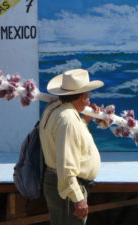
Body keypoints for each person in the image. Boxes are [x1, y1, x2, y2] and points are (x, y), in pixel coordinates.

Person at [39, 68, 105, 225]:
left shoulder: (55, 108)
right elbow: (66, 165)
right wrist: (78, 198)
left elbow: (66, 140)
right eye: (88, 96)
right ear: (83, 97)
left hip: (60, 184)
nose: (89, 101)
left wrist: (85, 120)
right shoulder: (68, 120)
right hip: (67, 188)